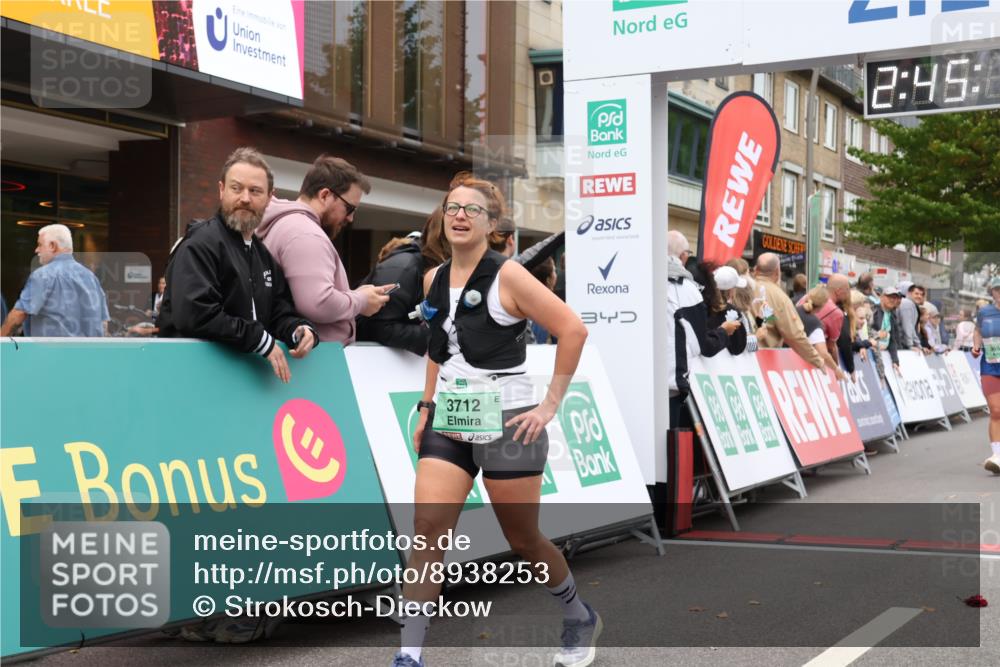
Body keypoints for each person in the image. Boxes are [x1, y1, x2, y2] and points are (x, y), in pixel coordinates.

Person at [398, 177, 596, 667]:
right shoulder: (433, 278)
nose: (460, 216)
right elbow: (439, 347)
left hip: (508, 420)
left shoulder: (509, 277)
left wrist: (549, 405)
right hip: (450, 418)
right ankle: (408, 656)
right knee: (427, 529)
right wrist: (426, 405)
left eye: (472, 210)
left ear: (490, 224)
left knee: (522, 538)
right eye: (453, 208)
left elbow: (573, 330)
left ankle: (577, 616)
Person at [156, 147, 317, 384]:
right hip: (190, 380)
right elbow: (194, 315)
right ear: (222, 190)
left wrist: (298, 330)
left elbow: (278, 311)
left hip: (240, 384)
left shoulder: (262, 255)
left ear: (270, 197)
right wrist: (259, 339)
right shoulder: (199, 244)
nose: (245, 198)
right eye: (236, 188)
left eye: (255, 191)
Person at [256, 155, 390, 345]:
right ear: (325, 195)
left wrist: (354, 296)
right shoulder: (306, 234)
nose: (350, 218)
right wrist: (361, 301)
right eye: (349, 208)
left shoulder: (287, 225)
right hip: (310, 361)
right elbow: (318, 302)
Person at [667, 231, 742, 426]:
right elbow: (703, 345)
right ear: (683, 256)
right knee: (669, 452)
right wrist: (724, 332)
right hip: (671, 387)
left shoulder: (639, 280)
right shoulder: (687, 290)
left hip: (637, 382)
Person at [356, 209, 451, 355]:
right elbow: (379, 327)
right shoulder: (404, 267)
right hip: (371, 365)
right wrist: (442, 337)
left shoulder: (441, 268)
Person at [1, 224, 109, 337]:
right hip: (88, 352)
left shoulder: (42, 275)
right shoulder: (91, 278)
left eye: (40, 245)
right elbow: (103, 323)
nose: (36, 250)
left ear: (53, 246)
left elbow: (19, 313)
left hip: (50, 353)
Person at [753, 253, 823, 368]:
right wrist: (817, 360)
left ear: (756, 270)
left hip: (737, 357)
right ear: (777, 272)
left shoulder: (743, 288)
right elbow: (794, 335)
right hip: (763, 361)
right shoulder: (780, 297)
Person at [971, 278, 1000, 474]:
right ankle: (997, 456)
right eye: (997, 290)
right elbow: (978, 330)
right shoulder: (985, 312)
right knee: (996, 410)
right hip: (990, 366)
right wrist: (976, 345)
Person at [796, 286, 847, 381]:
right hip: (799, 366)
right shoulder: (815, 323)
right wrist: (836, 369)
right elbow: (823, 353)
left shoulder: (792, 310)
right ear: (822, 305)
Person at [706, 265, 748, 355]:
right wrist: (757, 338)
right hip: (720, 366)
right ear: (731, 290)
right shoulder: (732, 312)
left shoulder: (700, 305)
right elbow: (738, 347)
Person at [871, 286, 903, 375]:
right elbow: (865, 332)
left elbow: (892, 340)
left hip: (883, 353)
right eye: (889, 297)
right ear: (882, 297)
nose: (892, 300)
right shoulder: (874, 311)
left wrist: (895, 360)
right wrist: (877, 335)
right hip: (871, 354)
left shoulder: (892, 314)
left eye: (895, 297)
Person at [527, 256, 558, 344]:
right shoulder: (550, 308)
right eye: (554, 271)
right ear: (548, 279)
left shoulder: (523, 301)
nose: (556, 274)